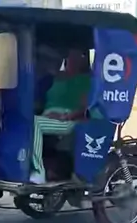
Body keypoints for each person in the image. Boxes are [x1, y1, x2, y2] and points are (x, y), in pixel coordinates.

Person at [30, 49, 92, 184]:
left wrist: (67, 116)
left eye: (77, 57)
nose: (72, 59)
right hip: (48, 116)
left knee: (34, 123)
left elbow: (85, 107)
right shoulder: (55, 78)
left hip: (68, 118)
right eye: (70, 56)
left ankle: (39, 171)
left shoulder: (86, 80)